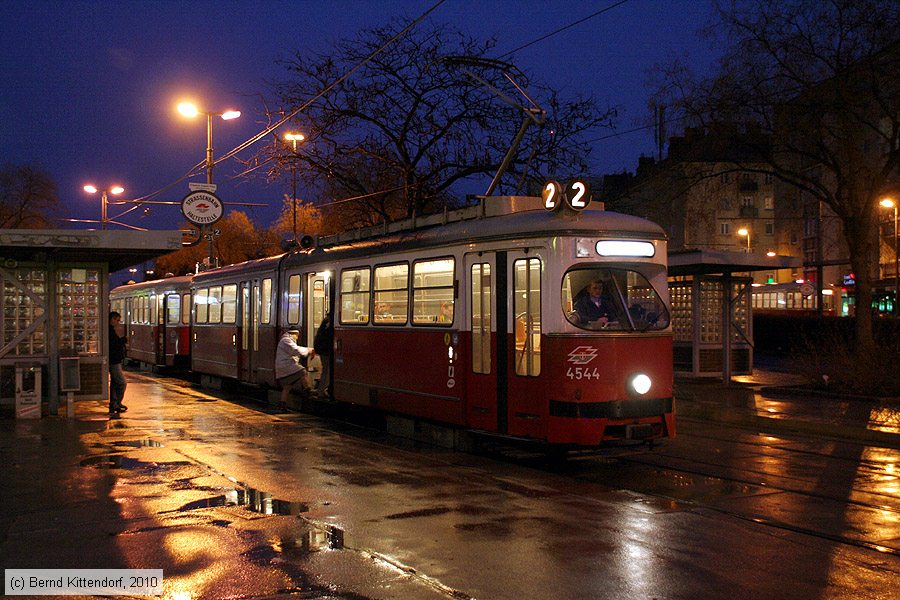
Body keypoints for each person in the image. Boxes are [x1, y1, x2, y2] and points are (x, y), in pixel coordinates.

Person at [275, 328, 315, 406]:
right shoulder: (286, 340)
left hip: (284, 367)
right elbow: (296, 350)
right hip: (286, 366)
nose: (297, 337)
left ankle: (282, 405)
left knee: (287, 387)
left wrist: (308, 350)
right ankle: (308, 390)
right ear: (293, 334)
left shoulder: (285, 340)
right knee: (302, 371)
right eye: (297, 336)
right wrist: (309, 350)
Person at [108, 311, 128, 414]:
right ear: (112, 319)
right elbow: (114, 344)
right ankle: (116, 403)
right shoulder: (110, 331)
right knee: (122, 383)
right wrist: (123, 340)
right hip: (114, 361)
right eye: (117, 320)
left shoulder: (110, 330)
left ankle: (114, 403)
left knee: (115, 383)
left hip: (113, 360)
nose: (118, 323)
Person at [313, 312, 334, 397]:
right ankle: (322, 391)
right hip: (325, 350)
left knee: (325, 370)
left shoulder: (326, 321)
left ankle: (321, 389)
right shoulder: (329, 322)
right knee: (327, 370)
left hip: (322, 349)